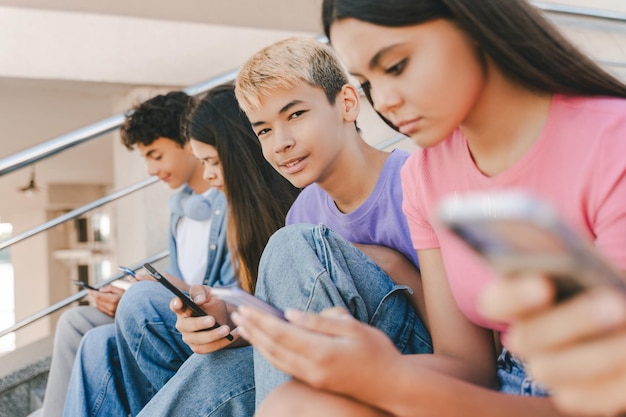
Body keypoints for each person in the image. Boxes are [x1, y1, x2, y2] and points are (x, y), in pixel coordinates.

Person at [230, 1, 626, 416]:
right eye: (367, 82)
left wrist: (390, 381)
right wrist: (370, 370)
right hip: (503, 386)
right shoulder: (426, 173)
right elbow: (467, 365)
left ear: (474, 23)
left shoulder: (611, 142)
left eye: (396, 66)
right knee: (294, 402)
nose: (383, 100)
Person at [135, 36, 431, 417]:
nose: (280, 144)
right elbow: (290, 324)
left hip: (413, 363)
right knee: (215, 371)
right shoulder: (304, 209)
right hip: (331, 359)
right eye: (263, 130)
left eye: (295, 115)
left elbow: (463, 339)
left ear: (347, 103)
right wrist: (227, 326)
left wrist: (384, 265)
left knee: (292, 244)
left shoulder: (411, 182)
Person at [62, 83, 301, 416]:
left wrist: (197, 298)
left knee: (139, 302)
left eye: (155, 155)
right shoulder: (186, 212)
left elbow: (258, 302)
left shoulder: (271, 215)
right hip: (223, 326)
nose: (210, 174)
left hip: (256, 346)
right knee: (93, 340)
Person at [29, 91, 234, 417]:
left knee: (131, 310)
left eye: (156, 155)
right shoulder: (179, 211)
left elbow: (227, 292)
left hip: (202, 318)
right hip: (175, 308)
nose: (152, 170)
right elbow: (183, 278)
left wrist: (150, 292)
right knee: (76, 320)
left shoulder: (230, 200)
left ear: (188, 142)